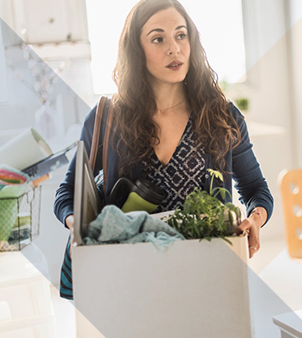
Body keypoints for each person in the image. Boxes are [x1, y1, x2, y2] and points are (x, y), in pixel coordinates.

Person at [53, 0, 273, 299]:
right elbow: (67, 193)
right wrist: (78, 226)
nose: (174, 48)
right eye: (158, 39)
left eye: (181, 35)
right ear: (136, 50)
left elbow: (255, 188)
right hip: (130, 279)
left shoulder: (222, 116)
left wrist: (255, 218)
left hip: (206, 273)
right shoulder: (108, 117)